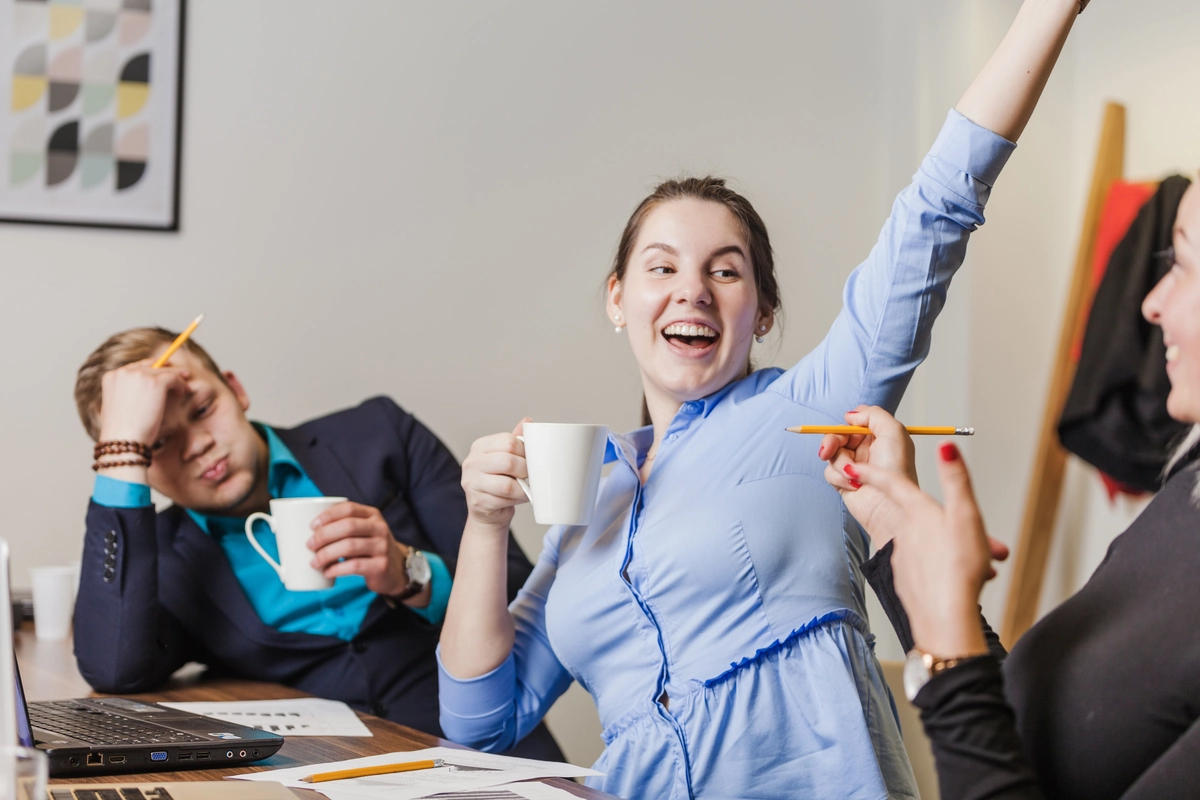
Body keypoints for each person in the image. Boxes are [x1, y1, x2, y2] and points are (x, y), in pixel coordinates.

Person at [436, 1, 1091, 796]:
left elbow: (936, 214)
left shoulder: (809, 411)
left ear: (764, 311)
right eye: (662, 267)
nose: (693, 291)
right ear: (617, 299)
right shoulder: (587, 513)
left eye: (725, 269)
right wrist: (485, 522)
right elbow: (480, 722)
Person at [818, 180, 1200, 800]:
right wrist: (893, 523)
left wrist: (949, 651)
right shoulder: (1189, 490)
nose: (1151, 304)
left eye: (1181, 265)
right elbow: (1021, 740)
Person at [72, 327, 562, 761]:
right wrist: (119, 448)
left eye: (203, 409)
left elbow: (522, 595)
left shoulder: (379, 435)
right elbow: (113, 668)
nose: (195, 445)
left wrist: (409, 573)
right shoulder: (159, 556)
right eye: (156, 442)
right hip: (320, 776)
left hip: (498, 754)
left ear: (235, 389)